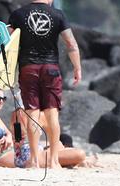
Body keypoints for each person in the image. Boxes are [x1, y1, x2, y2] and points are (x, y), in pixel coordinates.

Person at [7, 0, 82, 168]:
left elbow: (7, 45)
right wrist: (77, 68)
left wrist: (6, 71)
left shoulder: (18, 14)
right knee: (52, 114)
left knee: (32, 114)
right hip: (51, 69)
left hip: (28, 68)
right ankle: (54, 161)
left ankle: (34, 161)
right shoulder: (58, 15)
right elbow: (71, 44)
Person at [0, 87, 91, 168]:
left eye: (3, 99)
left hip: (19, 152)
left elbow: (14, 136)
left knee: (59, 144)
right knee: (79, 154)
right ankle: (78, 161)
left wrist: (9, 138)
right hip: (8, 157)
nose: (1, 102)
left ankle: (76, 162)